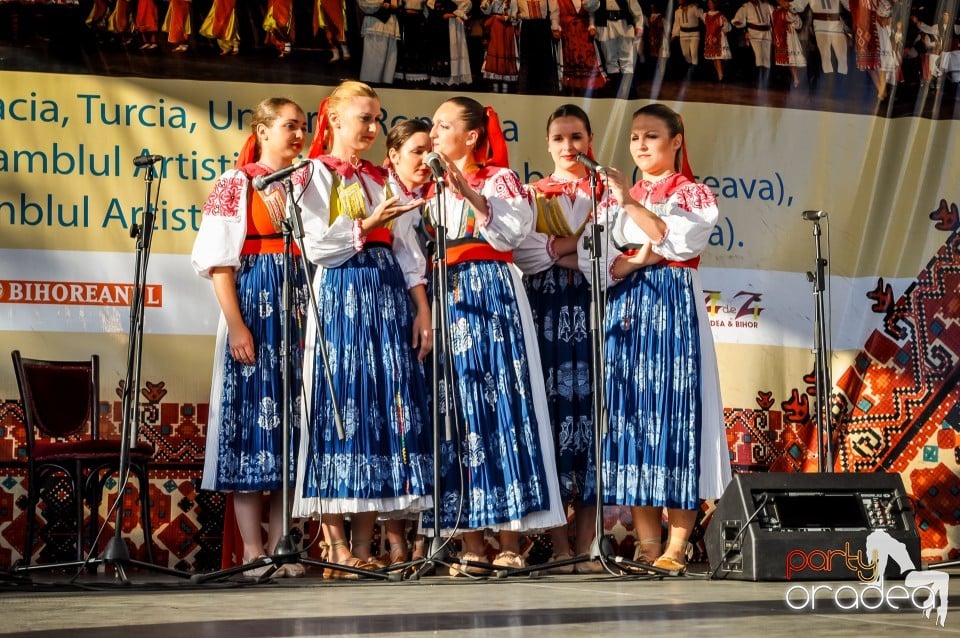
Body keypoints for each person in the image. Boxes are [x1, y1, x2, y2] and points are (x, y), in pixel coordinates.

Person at [292, 81, 434, 579]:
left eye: (376, 119)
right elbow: (318, 248)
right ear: (332, 119)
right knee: (341, 406)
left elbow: (407, 250)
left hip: (387, 298)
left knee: (378, 411)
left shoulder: (380, 176)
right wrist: (367, 221)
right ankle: (334, 546)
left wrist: (422, 309)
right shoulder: (311, 174)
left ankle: (362, 543)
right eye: (363, 119)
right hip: (343, 296)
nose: (372, 128)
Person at [422, 96, 566, 574]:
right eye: (434, 125)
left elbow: (507, 236)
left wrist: (470, 193)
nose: (436, 131)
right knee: (458, 412)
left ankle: (509, 538)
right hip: (448, 297)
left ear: (471, 137)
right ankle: (468, 540)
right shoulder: (429, 188)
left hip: (492, 296)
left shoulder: (501, 180)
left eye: (445, 125)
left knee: (501, 406)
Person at [585, 103, 731, 573]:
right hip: (626, 307)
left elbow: (678, 242)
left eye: (651, 136)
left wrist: (631, 206)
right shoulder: (613, 198)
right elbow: (601, 252)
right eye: (634, 137)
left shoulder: (693, 193)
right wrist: (633, 261)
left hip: (671, 304)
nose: (641, 145)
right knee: (632, 418)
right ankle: (648, 544)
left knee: (675, 414)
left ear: (676, 142)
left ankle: (678, 544)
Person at [191, 97, 311, 579]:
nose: (298, 134)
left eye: (303, 126)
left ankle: (282, 547)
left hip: (297, 315)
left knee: (289, 432)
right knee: (251, 431)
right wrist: (238, 325)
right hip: (255, 310)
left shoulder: (304, 183)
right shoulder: (235, 183)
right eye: (289, 125)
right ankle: (251, 551)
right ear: (262, 130)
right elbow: (220, 263)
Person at [514, 105, 604, 575]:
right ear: (547, 144)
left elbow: (610, 254)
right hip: (544, 314)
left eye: (576, 137)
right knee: (548, 419)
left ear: (590, 139)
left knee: (592, 423)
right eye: (559, 137)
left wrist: (558, 250)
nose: (568, 146)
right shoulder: (530, 194)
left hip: (596, 313)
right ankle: (559, 546)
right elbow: (526, 256)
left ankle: (587, 543)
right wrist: (579, 247)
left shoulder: (606, 192)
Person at [379, 118, 436, 566]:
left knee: (430, 423)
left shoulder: (441, 195)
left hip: (445, 308)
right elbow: (406, 258)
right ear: (394, 154)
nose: (426, 159)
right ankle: (397, 540)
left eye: (431, 150)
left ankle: (429, 537)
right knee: (398, 418)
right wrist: (421, 310)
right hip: (396, 310)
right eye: (417, 150)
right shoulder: (387, 193)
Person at [772, 0, 805, 87]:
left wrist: (794, 16)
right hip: (783, 38)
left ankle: (796, 78)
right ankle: (790, 79)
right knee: (787, 60)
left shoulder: (791, 11)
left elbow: (799, 24)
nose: (785, 3)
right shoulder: (777, 11)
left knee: (793, 60)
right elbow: (787, 18)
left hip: (791, 37)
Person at [701, 0, 732, 81]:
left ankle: (721, 75)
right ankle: (719, 75)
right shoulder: (705, 15)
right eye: (709, 3)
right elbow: (707, 25)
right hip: (710, 38)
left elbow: (727, 26)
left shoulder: (720, 15)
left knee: (718, 57)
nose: (710, 5)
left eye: (711, 3)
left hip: (718, 37)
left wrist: (725, 30)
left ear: (715, 4)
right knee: (714, 58)